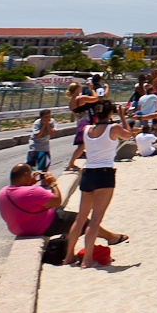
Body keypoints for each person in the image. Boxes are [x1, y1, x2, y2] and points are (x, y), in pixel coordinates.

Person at [64, 101, 132, 267]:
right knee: (95, 220)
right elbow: (128, 135)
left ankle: (68, 257)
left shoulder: (87, 129)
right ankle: (87, 260)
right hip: (104, 174)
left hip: (88, 172)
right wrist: (123, 116)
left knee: (81, 218)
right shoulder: (113, 128)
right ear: (110, 113)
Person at [0, 164, 125, 244]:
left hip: (18, 229)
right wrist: (53, 183)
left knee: (62, 211)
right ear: (25, 175)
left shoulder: (2, 192)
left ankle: (68, 235)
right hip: (40, 226)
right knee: (81, 220)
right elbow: (57, 200)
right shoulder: (32, 191)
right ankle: (111, 238)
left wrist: (29, 184)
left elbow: (23, 197)